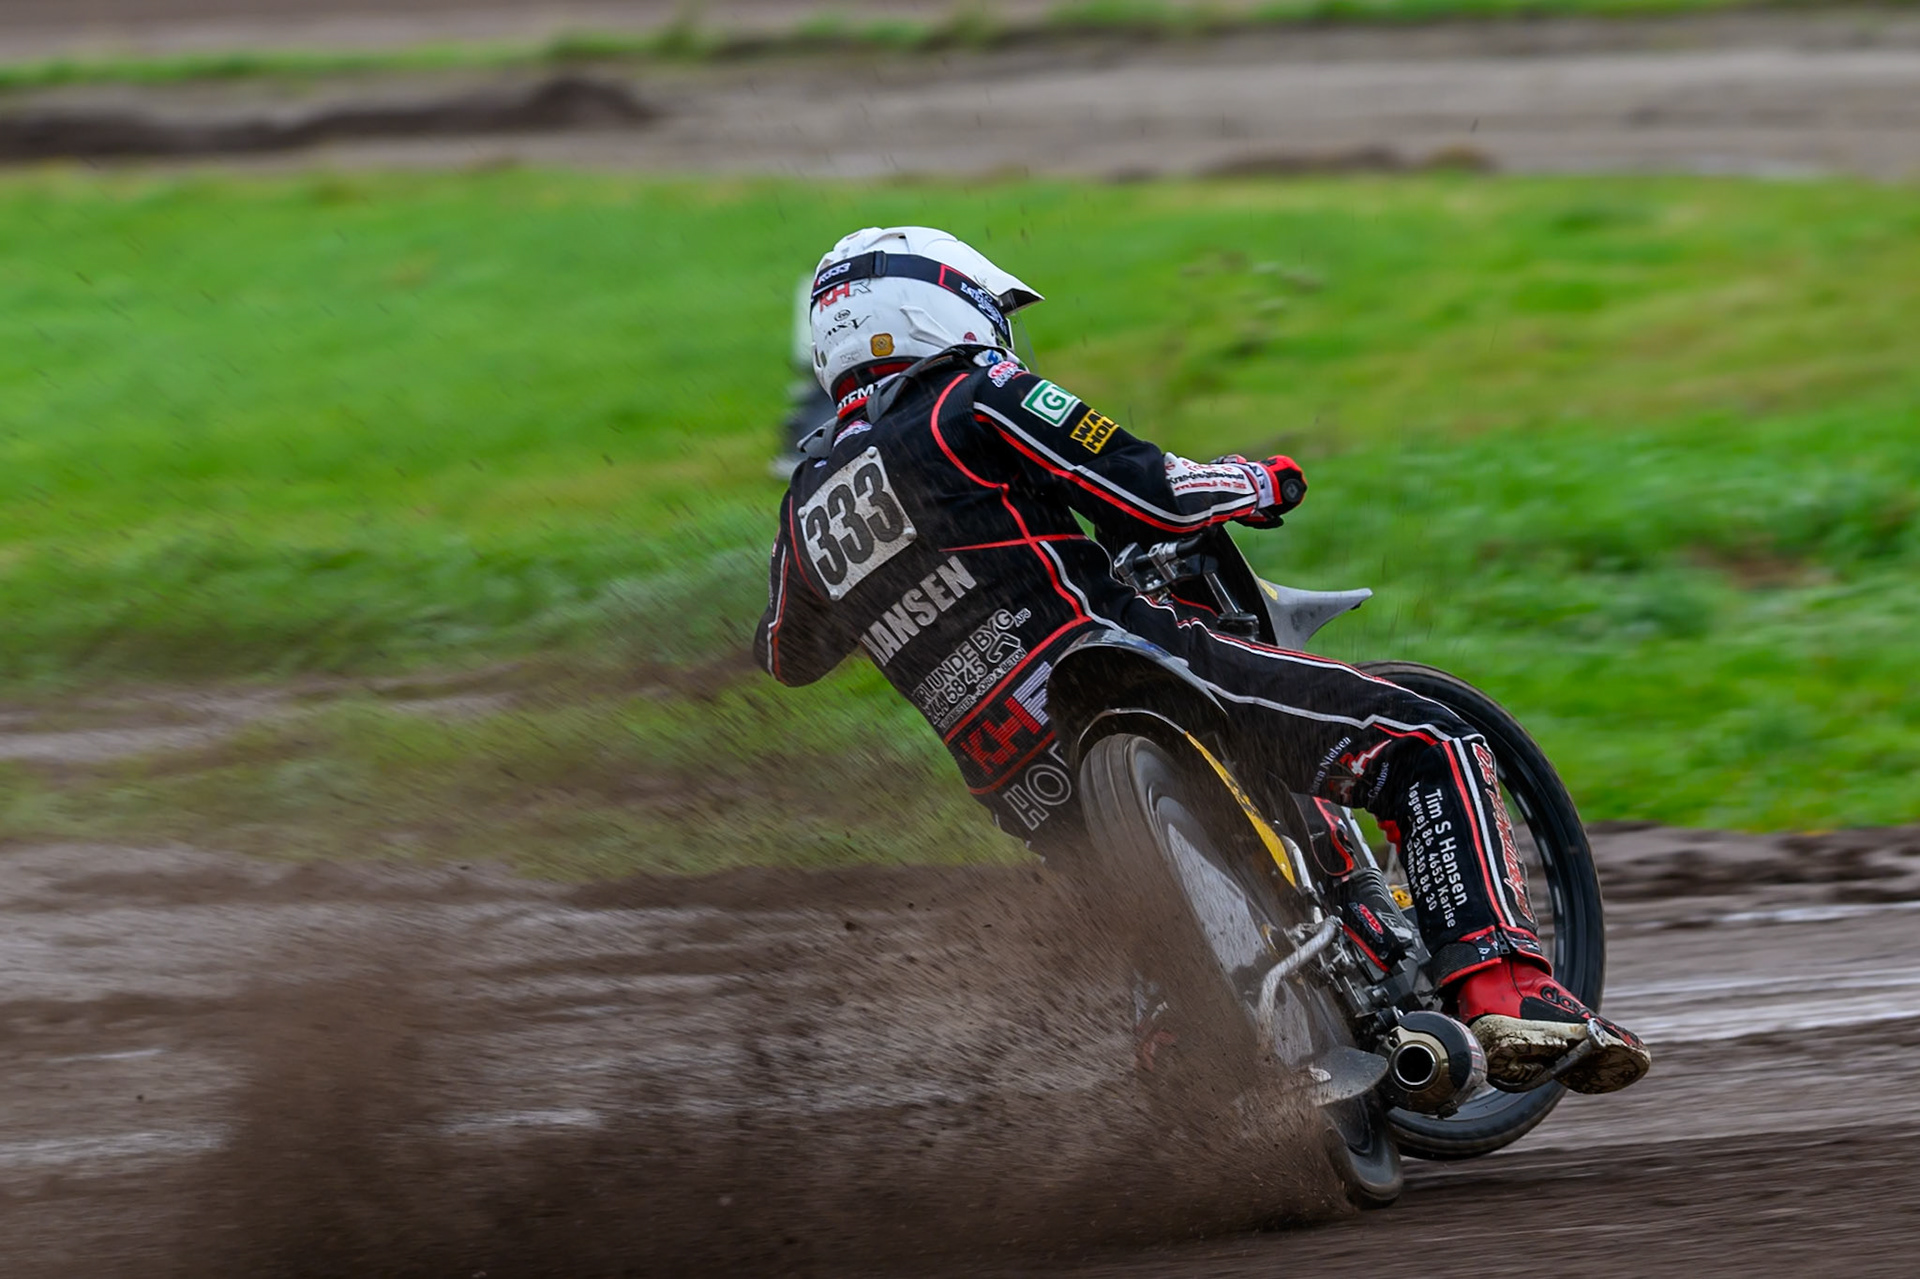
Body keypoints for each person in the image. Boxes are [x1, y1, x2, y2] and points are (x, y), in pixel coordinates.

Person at [753, 225, 1649, 1096]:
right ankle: (1506, 990)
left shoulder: (804, 507)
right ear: (934, 309)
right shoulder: (975, 392)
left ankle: (1185, 1040)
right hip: (1134, 673)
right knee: (1429, 739)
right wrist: (1259, 481)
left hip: (1021, 782)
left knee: (1143, 917)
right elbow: (1156, 494)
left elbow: (788, 653)